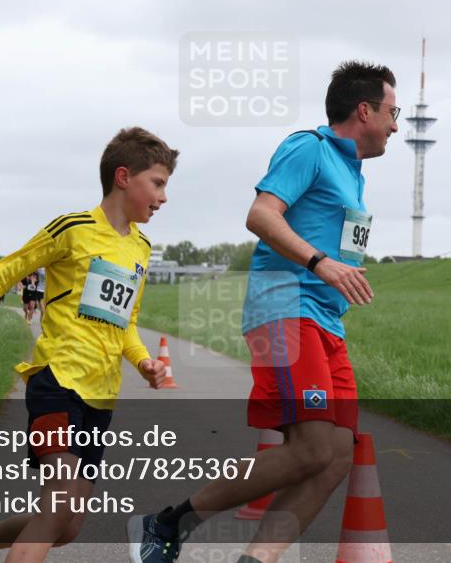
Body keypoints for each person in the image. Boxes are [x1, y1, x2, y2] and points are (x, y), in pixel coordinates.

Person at [128, 61, 398, 563]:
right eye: (392, 111)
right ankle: (171, 520)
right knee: (313, 447)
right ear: (365, 110)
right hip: (285, 311)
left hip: (325, 323)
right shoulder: (309, 148)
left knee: (337, 456)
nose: (396, 124)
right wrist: (321, 263)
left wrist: (334, 273)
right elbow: (260, 214)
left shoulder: (353, 173)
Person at [0, 127, 177, 563]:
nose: (162, 198)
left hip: (100, 398)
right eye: (157, 184)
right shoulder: (73, 229)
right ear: (124, 177)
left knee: (66, 526)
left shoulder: (140, 248)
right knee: (57, 508)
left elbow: (126, 322)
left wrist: (144, 363)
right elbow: (1, 274)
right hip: (57, 383)